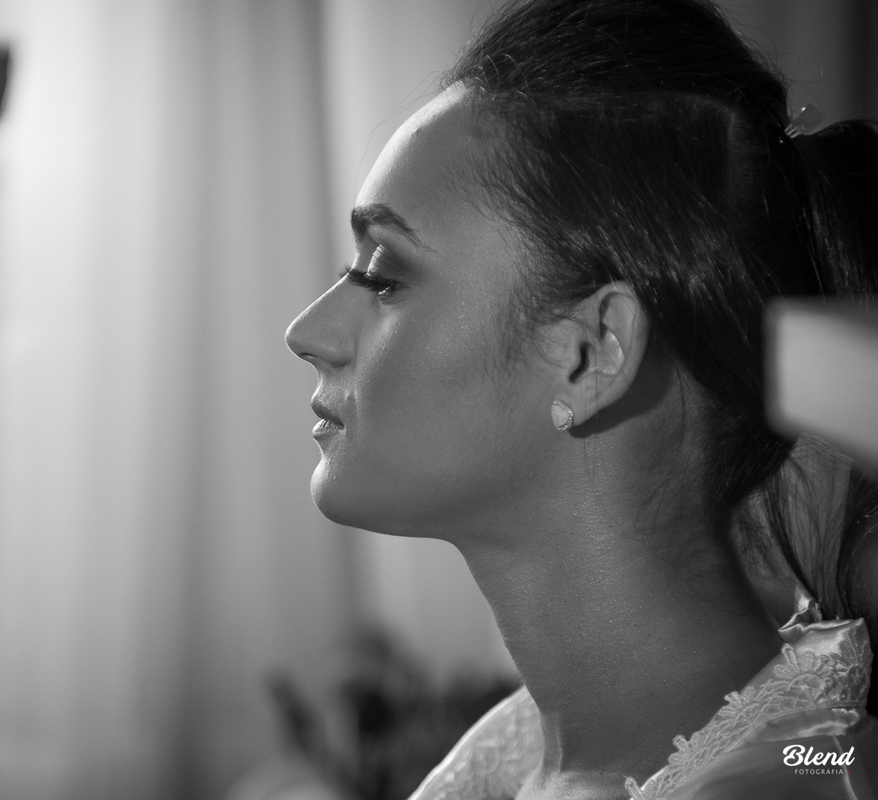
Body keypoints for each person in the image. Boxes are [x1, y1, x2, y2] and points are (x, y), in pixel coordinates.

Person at [284, 0, 878, 797]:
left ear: (593, 355)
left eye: (385, 276)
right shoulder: (507, 755)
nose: (306, 331)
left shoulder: (785, 783)